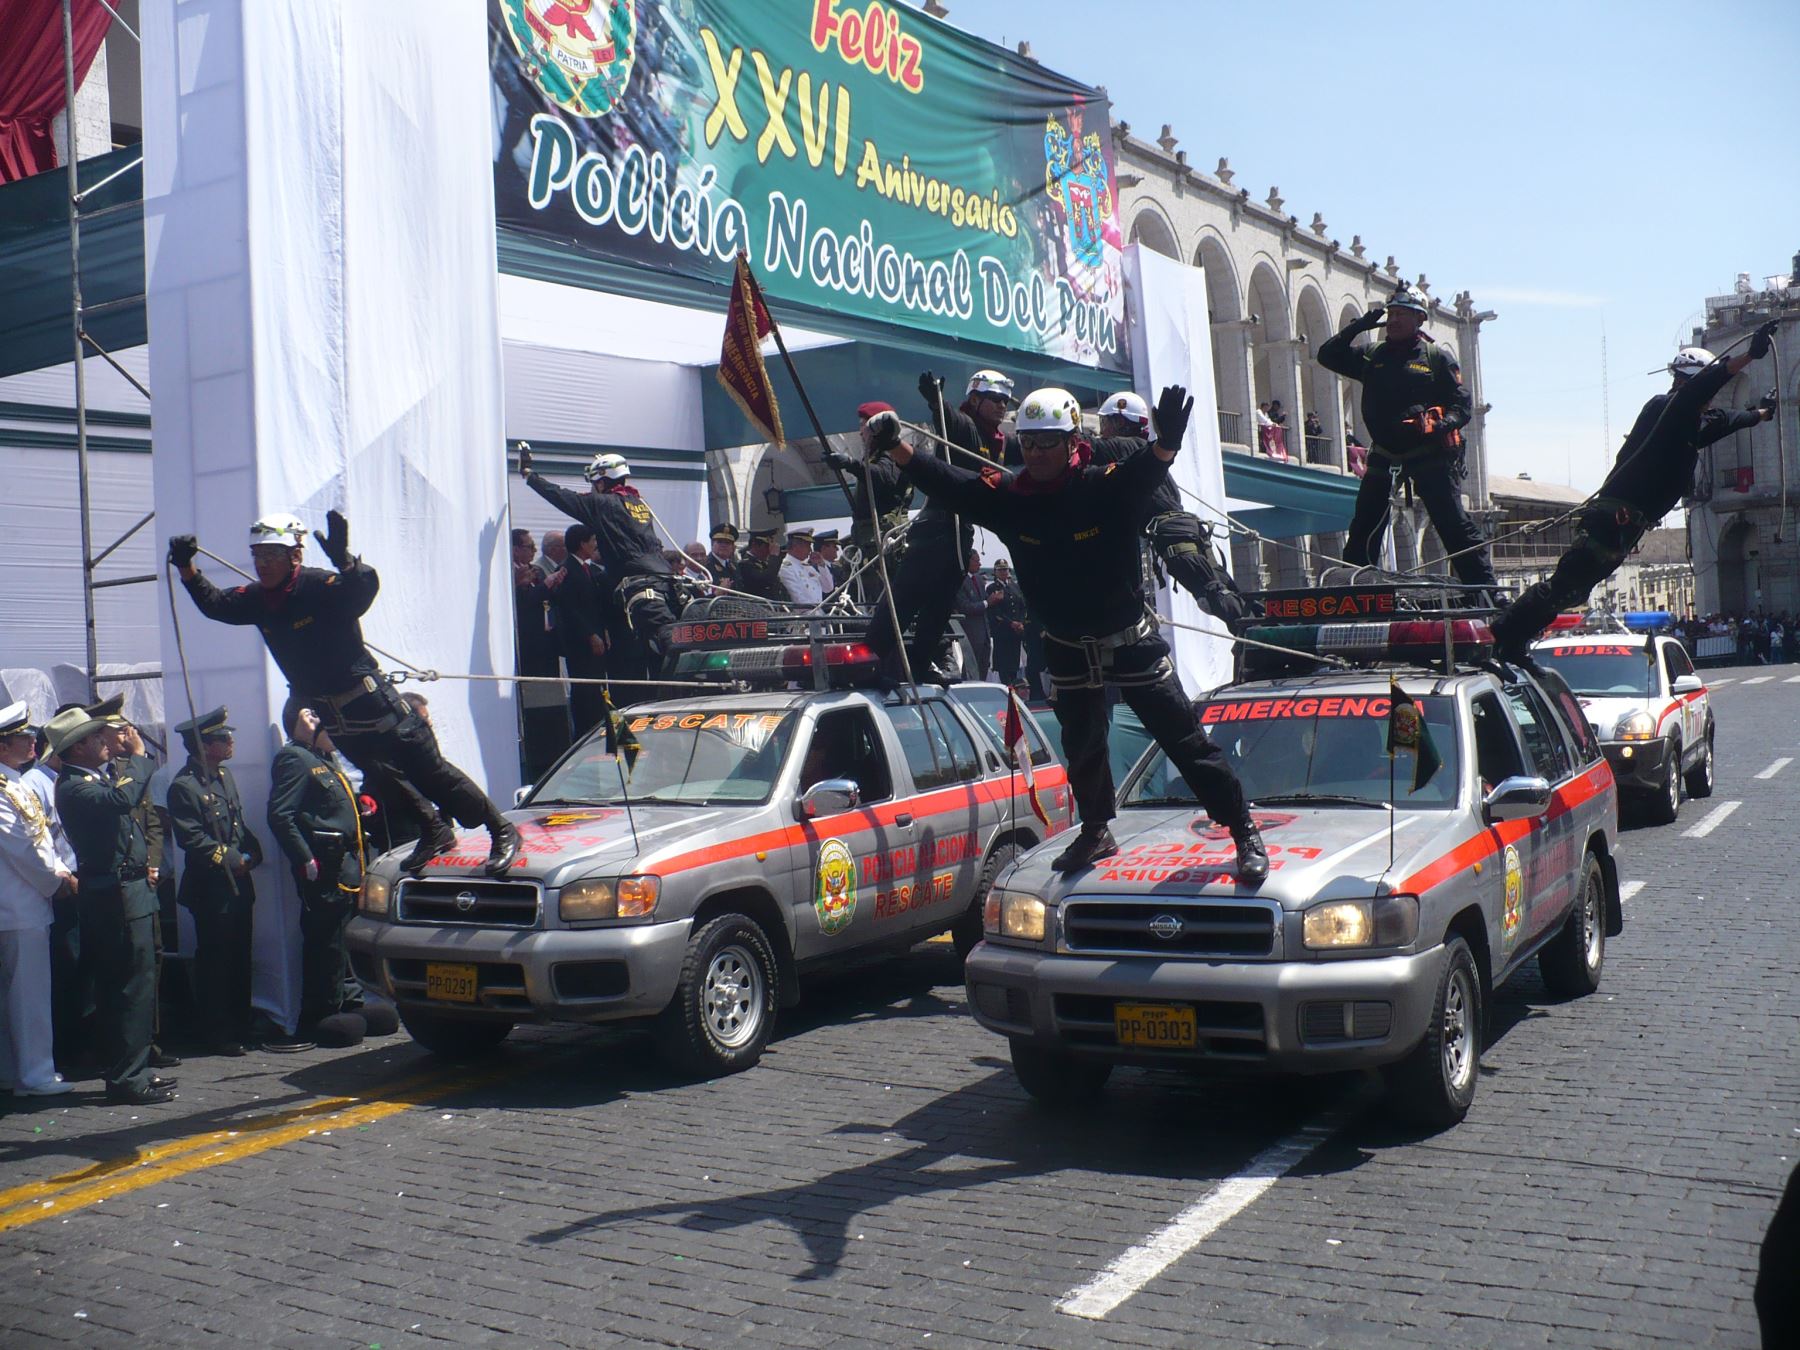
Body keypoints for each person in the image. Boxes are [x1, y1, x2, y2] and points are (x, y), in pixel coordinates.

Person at [887, 384, 1268, 880]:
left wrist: (1167, 444)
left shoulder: (1102, 485)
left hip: (1130, 643)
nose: (1037, 453)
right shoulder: (1010, 499)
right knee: (1083, 749)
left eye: (1048, 442)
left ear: (1073, 442)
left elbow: (1144, 472)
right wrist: (897, 446)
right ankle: (1096, 830)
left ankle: (1242, 829)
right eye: (1028, 443)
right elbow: (948, 481)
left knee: (1188, 745)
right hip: (1066, 652)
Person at [170, 511, 520, 876]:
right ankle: (434, 830)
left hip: (372, 701)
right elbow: (217, 605)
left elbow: (362, 591)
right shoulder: (259, 599)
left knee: (431, 772)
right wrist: (187, 569)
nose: (263, 564)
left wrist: (345, 560)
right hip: (336, 717)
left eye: (272, 555)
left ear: (295, 556)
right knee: (382, 777)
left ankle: (501, 828)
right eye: (258, 556)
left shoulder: (319, 586)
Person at [1493, 325, 1780, 660]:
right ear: (1687, 383)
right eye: (1707, 391)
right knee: (1564, 585)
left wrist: (1762, 413)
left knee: (1573, 592)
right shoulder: (1664, 409)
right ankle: (1504, 634)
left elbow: (1729, 419)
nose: (1711, 399)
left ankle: (1514, 640)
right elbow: (1698, 391)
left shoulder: (1690, 425)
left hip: (1625, 527)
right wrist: (1748, 356)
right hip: (1611, 519)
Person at [1319, 282, 1497, 589]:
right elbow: (1327, 356)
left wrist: (1436, 424)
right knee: (1365, 526)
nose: (1394, 319)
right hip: (1384, 455)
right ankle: (1352, 590)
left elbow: (1462, 407)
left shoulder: (1436, 358)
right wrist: (1357, 327)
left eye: (1402, 313)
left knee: (1454, 527)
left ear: (1420, 319)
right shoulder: (1371, 355)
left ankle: (1487, 591)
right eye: (1391, 313)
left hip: (1429, 457)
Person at [49, 705, 174, 1104]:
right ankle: (125, 1078)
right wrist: (138, 757)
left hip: (128, 892)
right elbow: (121, 802)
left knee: (135, 984)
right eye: (95, 737)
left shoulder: (93, 778)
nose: (105, 741)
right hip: (114, 897)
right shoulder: (73, 786)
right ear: (77, 747)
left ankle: (132, 1069)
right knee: (127, 988)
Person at [166, 707, 283, 1055]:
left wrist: (252, 851)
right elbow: (192, 839)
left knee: (239, 956)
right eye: (221, 738)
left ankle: (239, 1022)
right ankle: (217, 1031)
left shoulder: (224, 777)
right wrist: (232, 860)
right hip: (212, 887)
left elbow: (235, 823)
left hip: (238, 885)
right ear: (203, 746)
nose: (230, 742)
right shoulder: (184, 787)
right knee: (216, 960)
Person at [518, 446, 681, 682]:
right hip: (664, 581)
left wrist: (530, 476)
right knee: (662, 647)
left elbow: (563, 497)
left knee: (666, 645)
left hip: (638, 586)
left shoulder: (601, 504)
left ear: (601, 481)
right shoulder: (638, 504)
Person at [1091, 390, 1255, 625]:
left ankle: (1258, 636)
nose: (1102, 429)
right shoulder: (1147, 455)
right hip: (1189, 529)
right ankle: (1264, 628)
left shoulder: (1119, 447)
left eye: (1105, 422)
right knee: (1225, 590)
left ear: (1119, 423)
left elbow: (1081, 449)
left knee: (1212, 597)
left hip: (1172, 535)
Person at [269, 698, 370, 1049]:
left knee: (345, 937)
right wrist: (304, 857)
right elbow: (281, 814)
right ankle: (323, 1013)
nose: (323, 726)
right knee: (326, 941)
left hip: (347, 865)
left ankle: (350, 1000)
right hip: (324, 868)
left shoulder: (325, 760)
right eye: (310, 716)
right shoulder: (294, 758)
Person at [92, 698, 180, 1071]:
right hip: (116, 885)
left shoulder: (128, 769)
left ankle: (147, 1040)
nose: (126, 734)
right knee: (126, 969)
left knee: (152, 961)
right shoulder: (106, 776)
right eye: (117, 729)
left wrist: (154, 863)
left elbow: (152, 822)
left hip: (144, 877)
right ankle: (122, 1048)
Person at [0, 702, 76, 1097]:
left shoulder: (14, 783)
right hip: (18, 905)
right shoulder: (3, 789)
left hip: (23, 903)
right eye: (23, 738)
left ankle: (16, 1072)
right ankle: (35, 1076)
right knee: (28, 995)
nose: (33, 743)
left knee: (17, 995)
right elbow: (22, 848)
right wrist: (57, 880)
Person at [23, 711, 86, 1072]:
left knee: (81, 966)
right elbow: (40, 842)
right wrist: (62, 879)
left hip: (77, 880)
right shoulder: (34, 783)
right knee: (66, 967)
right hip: (60, 886)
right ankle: (68, 1048)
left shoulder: (59, 780)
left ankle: (79, 1043)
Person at [824, 402, 914, 604]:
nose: (860, 433)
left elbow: (885, 477)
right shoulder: (873, 455)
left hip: (883, 543)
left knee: (886, 599)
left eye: (863, 426)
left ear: (876, 427)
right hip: (868, 540)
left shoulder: (891, 452)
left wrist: (851, 464)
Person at [512, 527, 570, 781]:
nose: (533, 552)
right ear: (515, 549)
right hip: (529, 647)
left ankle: (554, 752)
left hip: (546, 644)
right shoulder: (512, 573)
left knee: (551, 701)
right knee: (537, 704)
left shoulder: (531, 572)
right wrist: (544, 585)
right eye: (529, 547)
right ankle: (539, 756)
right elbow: (524, 605)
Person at [552, 523, 613, 738]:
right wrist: (590, 634)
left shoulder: (588, 569)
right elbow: (569, 608)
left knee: (597, 687)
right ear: (582, 543)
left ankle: (599, 727)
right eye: (592, 541)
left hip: (595, 635)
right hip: (579, 642)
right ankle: (585, 733)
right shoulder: (567, 569)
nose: (595, 545)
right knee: (584, 690)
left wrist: (602, 630)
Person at [986, 561, 1030, 688]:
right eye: (1000, 570)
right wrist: (1011, 623)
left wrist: (1020, 622)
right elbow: (995, 611)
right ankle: (1007, 688)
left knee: (1014, 664)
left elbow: (1022, 607)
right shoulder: (992, 588)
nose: (1003, 572)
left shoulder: (1015, 587)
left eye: (1005, 569)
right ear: (995, 572)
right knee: (1003, 665)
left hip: (1016, 633)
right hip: (1003, 631)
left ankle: (1015, 688)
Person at [955, 550, 994, 681]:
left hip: (984, 634)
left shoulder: (978, 579)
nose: (979, 563)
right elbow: (964, 607)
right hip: (970, 633)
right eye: (976, 561)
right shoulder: (960, 580)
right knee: (970, 669)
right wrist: (987, 603)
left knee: (983, 667)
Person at [736, 528, 786, 601]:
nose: (769, 550)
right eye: (767, 546)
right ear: (754, 545)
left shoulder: (764, 563)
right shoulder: (745, 564)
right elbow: (767, 579)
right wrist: (774, 556)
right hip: (757, 608)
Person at [780, 527, 826, 605]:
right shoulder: (786, 568)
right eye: (808, 546)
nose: (810, 550)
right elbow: (798, 599)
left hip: (817, 612)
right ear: (795, 546)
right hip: (804, 615)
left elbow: (828, 587)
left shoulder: (807, 567)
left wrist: (821, 565)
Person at [703, 523, 741, 589]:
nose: (723, 545)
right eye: (719, 542)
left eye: (727, 543)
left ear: (733, 547)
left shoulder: (734, 566)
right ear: (712, 544)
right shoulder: (706, 565)